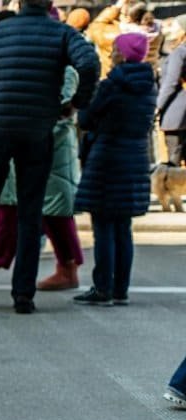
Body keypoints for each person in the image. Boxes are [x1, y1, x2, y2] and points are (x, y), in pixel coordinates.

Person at [0, 0, 98, 314]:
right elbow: (90, 64)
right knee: (30, 213)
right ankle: (23, 294)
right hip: (37, 128)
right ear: (49, 4)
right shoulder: (62, 33)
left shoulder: (0, 32)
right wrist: (74, 103)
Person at [73, 33, 156, 307]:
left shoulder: (112, 85)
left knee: (104, 225)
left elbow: (86, 117)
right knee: (123, 226)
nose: (112, 54)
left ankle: (102, 287)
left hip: (107, 157)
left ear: (123, 54)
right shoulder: (148, 86)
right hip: (135, 158)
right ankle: (121, 288)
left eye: (115, 50)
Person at [159, 31, 186, 165]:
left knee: (173, 162)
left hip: (175, 111)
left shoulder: (179, 53)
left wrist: (158, 105)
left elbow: (171, 82)